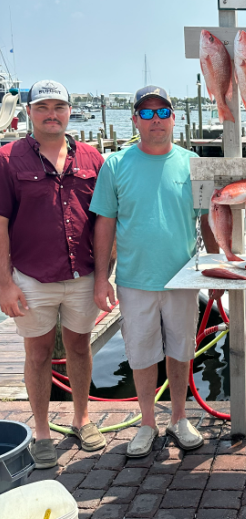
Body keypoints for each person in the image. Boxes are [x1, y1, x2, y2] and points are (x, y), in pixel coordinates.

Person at [91, 85, 210, 458]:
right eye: (146, 113)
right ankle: (146, 422)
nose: (155, 120)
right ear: (135, 120)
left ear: (174, 118)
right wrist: (100, 278)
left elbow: (209, 222)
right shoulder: (115, 165)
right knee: (141, 354)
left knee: (180, 350)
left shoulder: (195, 164)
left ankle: (178, 417)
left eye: (162, 112)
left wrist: (217, 270)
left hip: (183, 277)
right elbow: (104, 224)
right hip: (134, 279)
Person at [0, 80, 106, 468]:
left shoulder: (93, 159)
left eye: (58, 107)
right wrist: (4, 283)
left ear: (69, 111)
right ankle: (42, 432)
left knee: (80, 345)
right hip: (30, 276)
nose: (51, 114)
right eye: (42, 107)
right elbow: (0, 222)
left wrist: (103, 276)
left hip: (82, 273)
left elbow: (104, 222)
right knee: (38, 352)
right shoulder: (9, 158)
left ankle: (82, 419)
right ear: (28, 112)